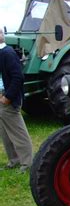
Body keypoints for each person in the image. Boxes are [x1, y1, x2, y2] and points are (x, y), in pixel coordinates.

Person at [0, 28, 33, 173]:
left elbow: (18, 77)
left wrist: (8, 97)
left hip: (7, 97)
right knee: (5, 131)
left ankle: (27, 163)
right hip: (2, 95)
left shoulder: (7, 53)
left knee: (18, 132)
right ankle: (14, 160)